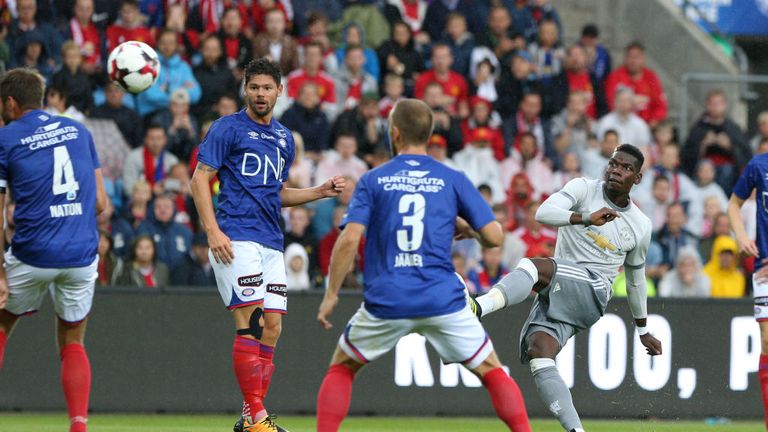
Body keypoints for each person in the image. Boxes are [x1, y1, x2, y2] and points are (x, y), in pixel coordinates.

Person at [315, 98, 531, 432]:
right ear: (428, 135)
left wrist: (331, 294)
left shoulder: (374, 180)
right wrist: (468, 228)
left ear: (395, 133)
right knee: (492, 371)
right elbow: (494, 237)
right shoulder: (452, 178)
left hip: (387, 298)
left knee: (341, 368)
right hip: (440, 297)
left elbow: (348, 238)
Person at [190, 58, 346, 432]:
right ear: (245, 89)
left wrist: (319, 192)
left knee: (273, 326)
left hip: (271, 241)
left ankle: (249, 415)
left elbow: (275, 193)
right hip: (235, 237)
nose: (260, 94)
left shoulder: (283, 139)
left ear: (280, 91)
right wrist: (212, 231)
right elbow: (200, 179)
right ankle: (258, 418)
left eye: (267, 88)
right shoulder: (226, 128)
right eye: (254, 87)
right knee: (252, 322)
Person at [470, 143, 662, 432]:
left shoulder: (640, 225)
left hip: (594, 291)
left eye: (626, 168)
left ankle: (477, 307)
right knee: (540, 352)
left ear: (637, 178)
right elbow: (544, 213)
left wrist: (643, 329)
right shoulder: (583, 189)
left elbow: (635, 279)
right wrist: (585, 216)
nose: (616, 170)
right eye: (613, 163)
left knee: (534, 266)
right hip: (560, 285)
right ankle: (576, 430)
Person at [0, 68, 107, 432]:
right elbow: (101, 204)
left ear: (10, 103)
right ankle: (78, 426)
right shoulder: (79, 130)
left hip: (32, 253)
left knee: (1, 325)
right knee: (73, 339)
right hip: (80, 255)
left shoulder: (6, 137)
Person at [728, 150, 768, 428]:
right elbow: (733, 204)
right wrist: (742, 237)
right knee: (767, 342)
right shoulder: (759, 164)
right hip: (765, 267)